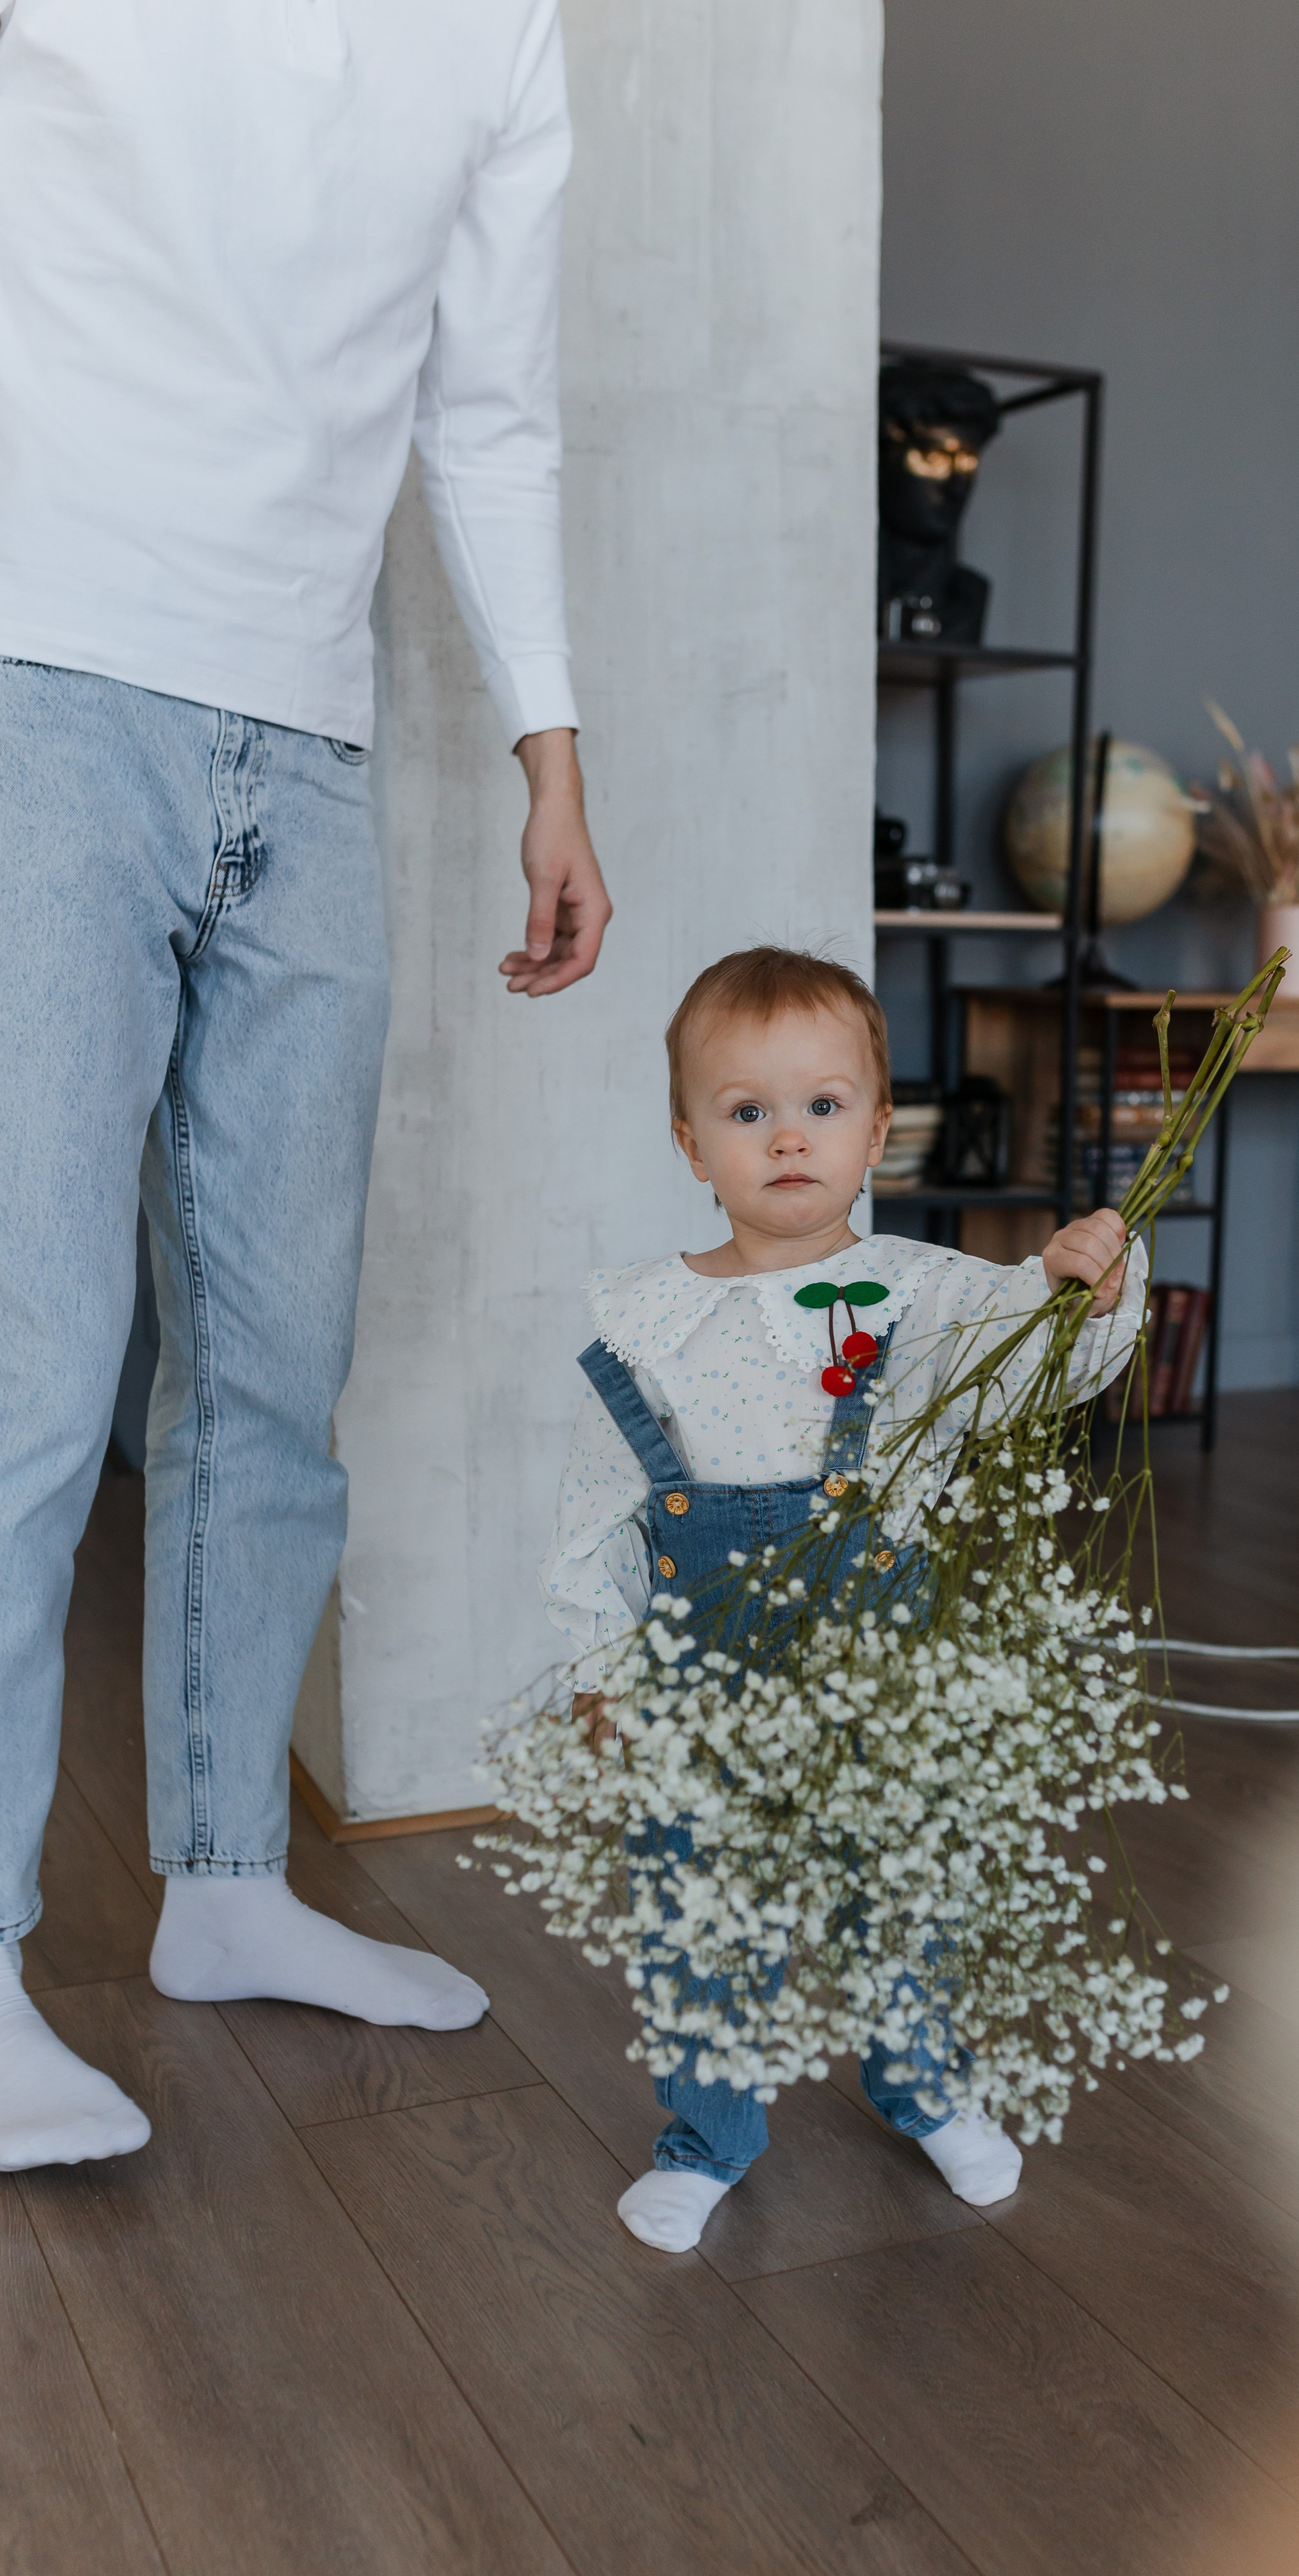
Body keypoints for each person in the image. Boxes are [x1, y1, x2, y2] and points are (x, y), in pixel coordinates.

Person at [0, 0, 611, 2173]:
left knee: (272, 1367)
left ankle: (227, 1883)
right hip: (41, 679)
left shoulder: (505, 32)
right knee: (33, 1371)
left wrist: (550, 749)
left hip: (311, 735)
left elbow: (490, 404)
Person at [537, 947, 1144, 2251]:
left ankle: (924, 2086)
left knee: (902, 1895)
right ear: (691, 1142)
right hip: (707, 1691)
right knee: (700, 1915)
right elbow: (597, 1521)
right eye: (746, 1110)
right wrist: (599, 1671)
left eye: (820, 1106)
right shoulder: (644, 1320)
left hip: (884, 1682)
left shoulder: (929, 1297)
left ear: (876, 1127)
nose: (787, 1138)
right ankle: (706, 2138)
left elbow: (1051, 1373)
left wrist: (1087, 1286)